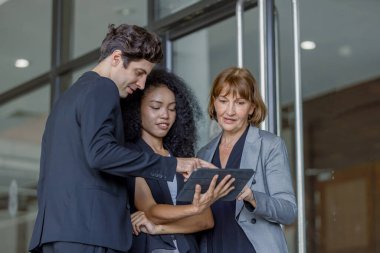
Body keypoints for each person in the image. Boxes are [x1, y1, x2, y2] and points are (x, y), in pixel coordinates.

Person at [29, 24, 212, 253]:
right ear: (116, 58)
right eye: (139, 72)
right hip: (90, 232)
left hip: (61, 231)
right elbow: (101, 154)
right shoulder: (103, 88)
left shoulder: (70, 98)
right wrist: (173, 164)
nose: (142, 83)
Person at [122, 69, 235, 253]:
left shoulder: (181, 158)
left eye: (172, 108)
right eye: (156, 107)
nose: (165, 115)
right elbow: (151, 211)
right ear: (137, 108)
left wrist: (160, 228)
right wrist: (194, 209)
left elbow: (205, 220)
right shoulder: (132, 154)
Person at [197, 67, 297, 253]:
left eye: (240, 103)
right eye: (223, 101)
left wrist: (252, 197)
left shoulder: (270, 145)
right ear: (214, 103)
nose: (230, 111)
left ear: (252, 107)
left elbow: (288, 211)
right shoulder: (203, 154)